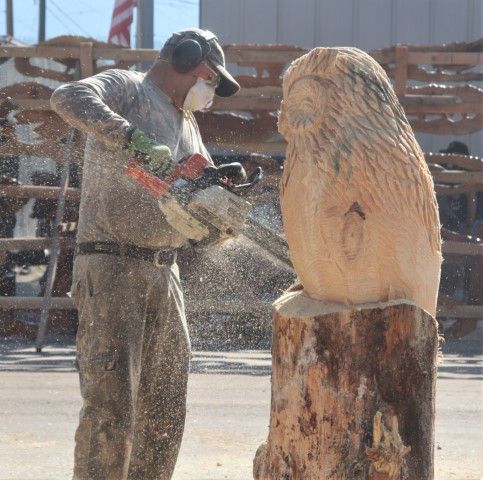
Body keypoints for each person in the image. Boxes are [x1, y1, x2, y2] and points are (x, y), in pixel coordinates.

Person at [50, 28, 240, 480]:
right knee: (111, 405)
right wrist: (129, 137)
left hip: (164, 270)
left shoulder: (187, 122)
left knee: (166, 405)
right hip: (111, 263)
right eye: (210, 79)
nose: (209, 90)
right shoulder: (128, 88)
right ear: (188, 60)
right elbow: (67, 96)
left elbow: (197, 188)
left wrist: (216, 206)